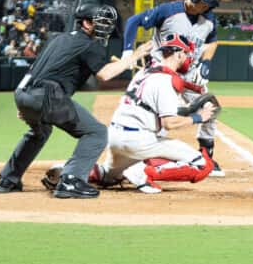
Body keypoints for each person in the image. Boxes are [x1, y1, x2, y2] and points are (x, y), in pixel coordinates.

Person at [0, 3, 147, 198]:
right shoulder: (90, 45)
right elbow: (105, 75)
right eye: (100, 23)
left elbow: (39, 68)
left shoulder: (58, 39)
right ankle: (71, 181)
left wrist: (29, 103)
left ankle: (8, 179)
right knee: (96, 132)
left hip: (24, 91)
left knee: (40, 131)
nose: (106, 27)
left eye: (108, 23)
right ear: (85, 23)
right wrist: (134, 56)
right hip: (46, 95)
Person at [124, 0, 223, 169]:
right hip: (163, 73)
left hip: (190, 73)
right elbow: (134, 21)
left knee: (211, 107)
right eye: (205, 3)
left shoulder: (209, 18)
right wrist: (128, 51)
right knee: (161, 115)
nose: (209, 7)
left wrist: (205, 63)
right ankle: (146, 156)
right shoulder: (168, 11)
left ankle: (206, 154)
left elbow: (212, 42)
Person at [91, 37, 213, 192]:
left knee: (108, 176)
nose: (188, 58)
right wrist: (198, 117)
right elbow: (169, 123)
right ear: (179, 54)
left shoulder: (144, 72)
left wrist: (190, 96)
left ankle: (76, 172)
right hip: (138, 141)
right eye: (187, 54)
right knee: (202, 165)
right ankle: (143, 172)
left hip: (114, 137)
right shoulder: (166, 80)